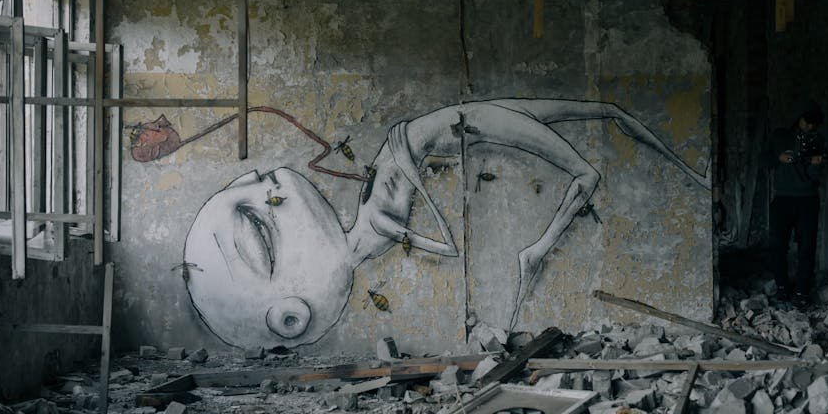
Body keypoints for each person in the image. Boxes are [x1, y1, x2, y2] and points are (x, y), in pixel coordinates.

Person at [182, 99, 710, 349]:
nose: (266, 182)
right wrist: (426, 230)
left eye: (251, 183)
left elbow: (418, 203)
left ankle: (693, 174)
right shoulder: (372, 235)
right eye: (259, 228)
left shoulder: (372, 221)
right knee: (590, 164)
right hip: (445, 129)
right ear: (292, 318)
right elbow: (441, 241)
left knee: (606, 111)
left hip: (445, 127)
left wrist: (425, 223)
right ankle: (537, 250)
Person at [767, 99, 827, 303]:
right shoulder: (780, 137)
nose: (811, 126)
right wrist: (778, 157)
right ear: (798, 119)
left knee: (807, 248)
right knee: (777, 246)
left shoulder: (817, 141)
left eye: (815, 123)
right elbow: (763, 160)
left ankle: (802, 291)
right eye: (808, 121)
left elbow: (814, 176)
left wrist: (816, 164)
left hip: (808, 200)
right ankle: (782, 287)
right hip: (783, 199)